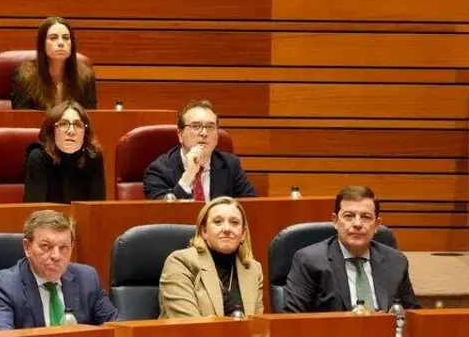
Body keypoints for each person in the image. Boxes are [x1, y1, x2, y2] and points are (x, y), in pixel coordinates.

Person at [283, 186, 420, 313]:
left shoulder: (396, 262)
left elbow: (412, 318)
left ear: (377, 225)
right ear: (335, 221)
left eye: (366, 217)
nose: (357, 224)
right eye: (349, 216)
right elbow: (293, 320)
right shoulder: (309, 261)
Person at [0, 209, 117, 329]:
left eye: (64, 247)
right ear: (27, 247)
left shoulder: (87, 278)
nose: (56, 256)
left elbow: (118, 328)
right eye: (46, 246)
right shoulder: (5, 285)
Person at [159, 196, 264, 318]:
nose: (227, 229)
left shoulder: (253, 269)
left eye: (234, 223)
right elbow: (189, 327)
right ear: (204, 231)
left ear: (243, 234)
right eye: (218, 222)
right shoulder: (180, 262)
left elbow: (257, 326)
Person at [142, 100, 256, 201]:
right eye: (196, 126)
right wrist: (188, 176)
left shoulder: (231, 165)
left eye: (210, 127)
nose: (204, 133)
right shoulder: (159, 169)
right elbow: (160, 214)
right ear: (180, 135)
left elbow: (251, 207)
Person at [23, 102, 104, 203]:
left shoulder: (93, 158)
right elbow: (36, 214)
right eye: (63, 124)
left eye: (78, 125)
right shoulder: (38, 158)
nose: (71, 131)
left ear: (85, 133)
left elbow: (97, 211)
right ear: (52, 131)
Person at [10, 17, 97, 110]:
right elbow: (22, 120)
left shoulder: (85, 76)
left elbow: (89, 117)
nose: (61, 43)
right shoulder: (24, 77)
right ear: (42, 44)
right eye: (53, 38)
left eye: (66, 38)